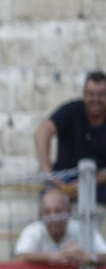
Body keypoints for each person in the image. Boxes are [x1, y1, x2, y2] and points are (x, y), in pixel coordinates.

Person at [34, 71, 106, 207]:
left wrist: (89, 183)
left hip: (99, 181)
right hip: (64, 180)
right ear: (84, 95)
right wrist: (48, 174)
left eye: (101, 94)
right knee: (50, 202)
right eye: (91, 94)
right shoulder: (72, 110)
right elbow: (41, 132)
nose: (96, 99)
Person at [14, 188, 106, 267]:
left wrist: (87, 257)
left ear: (68, 212)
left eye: (58, 211)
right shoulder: (32, 230)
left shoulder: (82, 229)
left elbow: (104, 254)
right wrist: (55, 256)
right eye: (47, 212)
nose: (53, 217)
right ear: (40, 214)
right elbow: (21, 256)